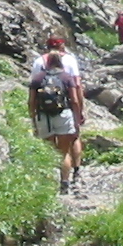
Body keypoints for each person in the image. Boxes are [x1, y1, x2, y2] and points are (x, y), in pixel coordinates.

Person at [29, 35, 85, 186]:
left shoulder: (38, 67)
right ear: (62, 48)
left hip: (43, 115)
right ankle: (69, 179)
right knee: (66, 148)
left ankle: (48, 181)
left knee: (48, 148)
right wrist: (79, 112)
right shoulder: (68, 69)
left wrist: (33, 119)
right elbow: (76, 91)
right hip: (63, 112)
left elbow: (32, 100)